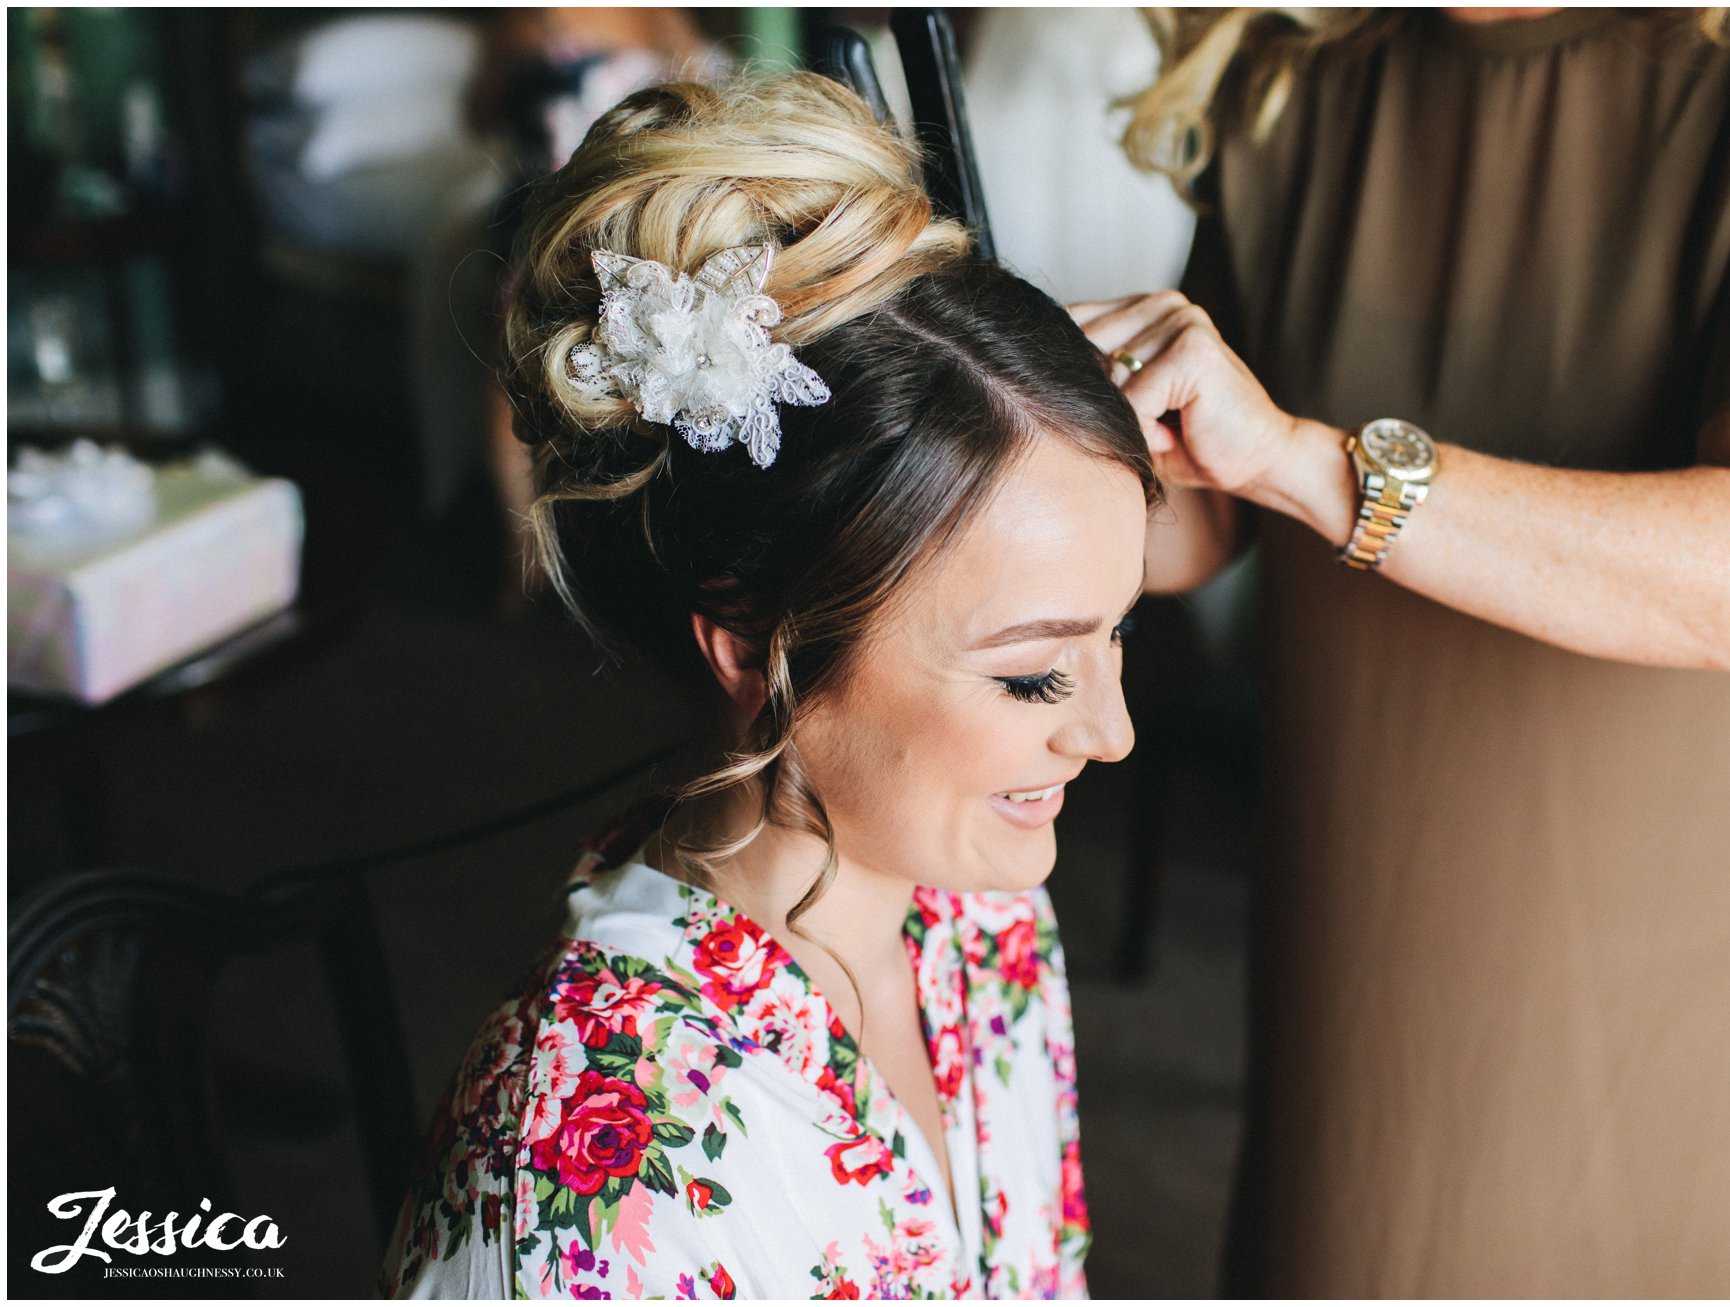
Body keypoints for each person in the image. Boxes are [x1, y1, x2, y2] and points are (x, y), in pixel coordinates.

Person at [1074, 6, 1730, 1298]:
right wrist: (995, 437)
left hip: (1684, 906)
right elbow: (1203, 510)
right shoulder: (1290, 58)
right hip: (1364, 868)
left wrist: (1311, 463)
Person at [380, 73, 1157, 1299]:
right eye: (1031, 676)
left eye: (1119, 634)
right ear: (754, 649)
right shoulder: (582, 1156)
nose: (1109, 732)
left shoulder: (982, 905)